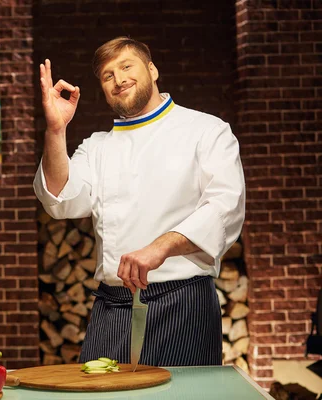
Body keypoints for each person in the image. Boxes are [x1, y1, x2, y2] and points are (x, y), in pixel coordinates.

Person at [34, 37, 246, 366]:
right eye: (107, 75)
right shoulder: (97, 147)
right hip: (112, 306)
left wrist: (161, 246)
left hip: (183, 301)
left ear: (152, 69)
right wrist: (55, 129)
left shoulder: (206, 130)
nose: (118, 79)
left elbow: (225, 207)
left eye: (126, 66)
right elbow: (62, 200)